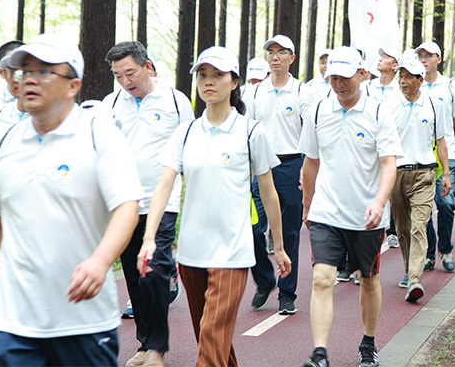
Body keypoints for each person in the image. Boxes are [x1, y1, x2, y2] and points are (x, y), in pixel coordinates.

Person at [0, 35, 142, 366]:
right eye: (25, 72)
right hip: (13, 323)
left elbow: (126, 206)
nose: (30, 80)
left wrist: (100, 261)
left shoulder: (100, 135)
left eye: (44, 71)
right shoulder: (0, 143)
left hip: (85, 321)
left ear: (72, 86)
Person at [139, 46, 291, 367]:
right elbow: (163, 186)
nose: (209, 81)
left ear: (234, 82)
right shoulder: (186, 132)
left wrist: (278, 247)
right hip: (192, 252)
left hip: (232, 253)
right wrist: (149, 238)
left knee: (210, 336)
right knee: (212, 340)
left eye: (218, 75)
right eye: (203, 75)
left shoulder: (251, 132)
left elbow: (269, 194)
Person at [299, 46, 401, 367]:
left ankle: (368, 344)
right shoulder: (318, 111)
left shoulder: (378, 113)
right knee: (322, 279)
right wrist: (307, 206)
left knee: (368, 280)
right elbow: (310, 163)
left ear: (361, 74)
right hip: (326, 212)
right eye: (332, 77)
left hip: (366, 216)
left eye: (345, 76)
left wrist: (379, 203)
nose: (339, 83)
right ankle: (319, 354)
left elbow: (388, 164)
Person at [99, 41, 195, 367]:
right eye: (118, 75)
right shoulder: (110, 104)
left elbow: (190, 147)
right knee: (133, 275)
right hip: (124, 203)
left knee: (152, 271)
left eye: (130, 72)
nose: (126, 81)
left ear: (148, 66)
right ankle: (144, 345)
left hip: (162, 201)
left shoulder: (174, 100)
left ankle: (157, 348)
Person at [243, 34, 309, 315]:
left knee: (290, 233)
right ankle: (265, 279)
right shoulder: (255, 92)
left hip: (291, 164)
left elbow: (310, 131)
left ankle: (287, 292)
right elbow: (248, 130)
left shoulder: (302, 91)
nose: (276, 57)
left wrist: (307, 167)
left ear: (292, 58)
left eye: (282, 52)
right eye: (271, 52)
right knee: (253, 230)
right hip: (261, 167)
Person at [386, 57, 449, 302]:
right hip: (396, 174)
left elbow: (441, 140)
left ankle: (415, 279)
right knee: (402, 229)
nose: (402, 81)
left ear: (420, 80)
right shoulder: (390, 106)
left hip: (424, 174)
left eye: (407, 77)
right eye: (400, 76)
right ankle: (408, 269)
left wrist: (445, 174)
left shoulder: (434, 105)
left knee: (418, 226)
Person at [415, 41, 455, 273]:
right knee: (422, 208)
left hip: (447, 153)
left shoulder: (451, 86)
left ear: (439, 58)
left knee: (446, 203)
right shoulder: (414, 85)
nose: (424, 60)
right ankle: (428, 253)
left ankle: (445, 249)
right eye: (420, 56)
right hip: (422, 154)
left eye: (428, 55)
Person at [367, 47, 402, 249]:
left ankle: (393, 229)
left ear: (395, 65)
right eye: (380, 56)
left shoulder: (400, 88)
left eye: (386, 57)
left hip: (392, 148)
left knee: (393, 193)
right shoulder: (368, 87)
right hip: (369, 147)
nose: (380, 59)